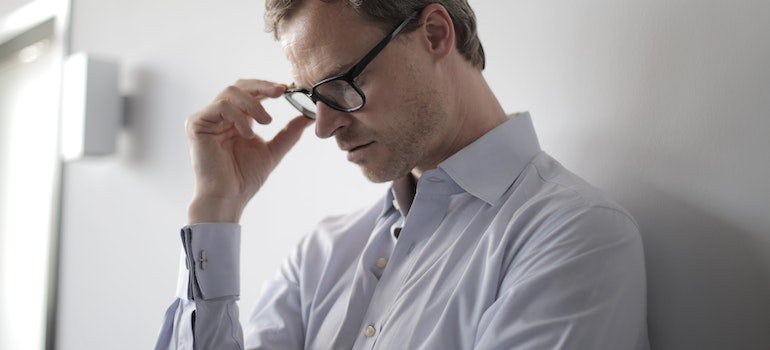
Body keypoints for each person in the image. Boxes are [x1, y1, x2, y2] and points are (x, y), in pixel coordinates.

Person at [155, 1, 649, 349]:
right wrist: (215, 213)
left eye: (345, 82)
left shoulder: (575, 237)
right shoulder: (321, 256)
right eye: (312, 97)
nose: (324, 127)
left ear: (434, 34)